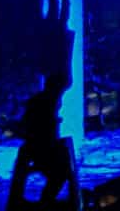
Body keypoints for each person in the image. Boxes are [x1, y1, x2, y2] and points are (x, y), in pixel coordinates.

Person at [8, 73, 75, 205]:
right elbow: (34, 127)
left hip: (43, 145)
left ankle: (46, 200)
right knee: (60, 174)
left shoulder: (45, 100)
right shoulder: (45, 101)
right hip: (41, 147)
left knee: (62, 173)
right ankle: (46, 202)